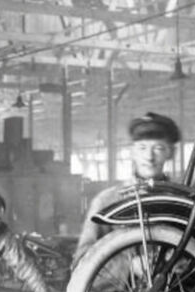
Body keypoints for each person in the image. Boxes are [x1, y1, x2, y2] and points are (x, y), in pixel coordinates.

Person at [73, 112, 180, 266]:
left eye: (158, 148)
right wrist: (129, 266)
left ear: (170, 153)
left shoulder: (180, 201)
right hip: (121, 289)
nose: (149, 157)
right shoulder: (107, 201)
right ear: (132, 152)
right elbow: (81, 260)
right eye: (142, 148)